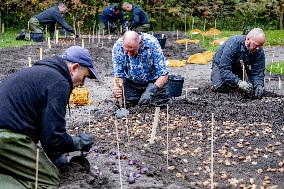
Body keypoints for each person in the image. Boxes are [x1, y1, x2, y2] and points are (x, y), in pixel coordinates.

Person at [0, 46, 99, 188]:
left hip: (7, 133)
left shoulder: (43, 73)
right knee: (48, 180)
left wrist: (56, 158)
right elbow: (54, 138)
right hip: (6, 137)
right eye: (84, 77)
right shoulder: (59, 82)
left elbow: (45, 132)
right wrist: (78, 142)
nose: (82, 84)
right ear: (74, 68)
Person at [112, 31, 169, 107]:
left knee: (157, 104)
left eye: (132, 51)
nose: (129, 54)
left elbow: (164, 74)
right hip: (131, 83)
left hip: (152, 83)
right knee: (124, 104)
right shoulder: (118, 46)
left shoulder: (152, 43)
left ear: (140, 43)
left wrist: (151, 91)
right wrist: (117, 88)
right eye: (126, 51)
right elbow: (118, 74)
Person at [211, 28, 266, 99]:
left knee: (252, 87)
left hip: (240, 66)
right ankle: (232, 85)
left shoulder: (259, 51)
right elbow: (224, 69)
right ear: (248, 39)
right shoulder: (233, 44)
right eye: (256, 45)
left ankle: (237, 84)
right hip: (221, 65)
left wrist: (259, 85)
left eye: (260, 45)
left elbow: (258, 71)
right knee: (220, 86)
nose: (258, 49)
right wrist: (239, 82)